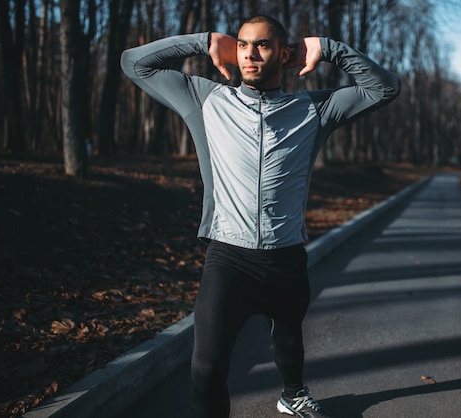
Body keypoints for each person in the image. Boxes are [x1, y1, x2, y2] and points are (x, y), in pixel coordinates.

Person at [121, 15, 400, 418]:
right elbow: (134, 63)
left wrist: (329, 47)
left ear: (284, 54)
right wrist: (206, 40)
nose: (250, 53)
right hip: (228, 259)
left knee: (288, 340)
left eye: (263, 45)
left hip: (286, 257)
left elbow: (385, 88)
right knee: (206, 366)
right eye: (244, 44)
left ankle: (292, 396)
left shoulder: (314, 109)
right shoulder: (205, 99)